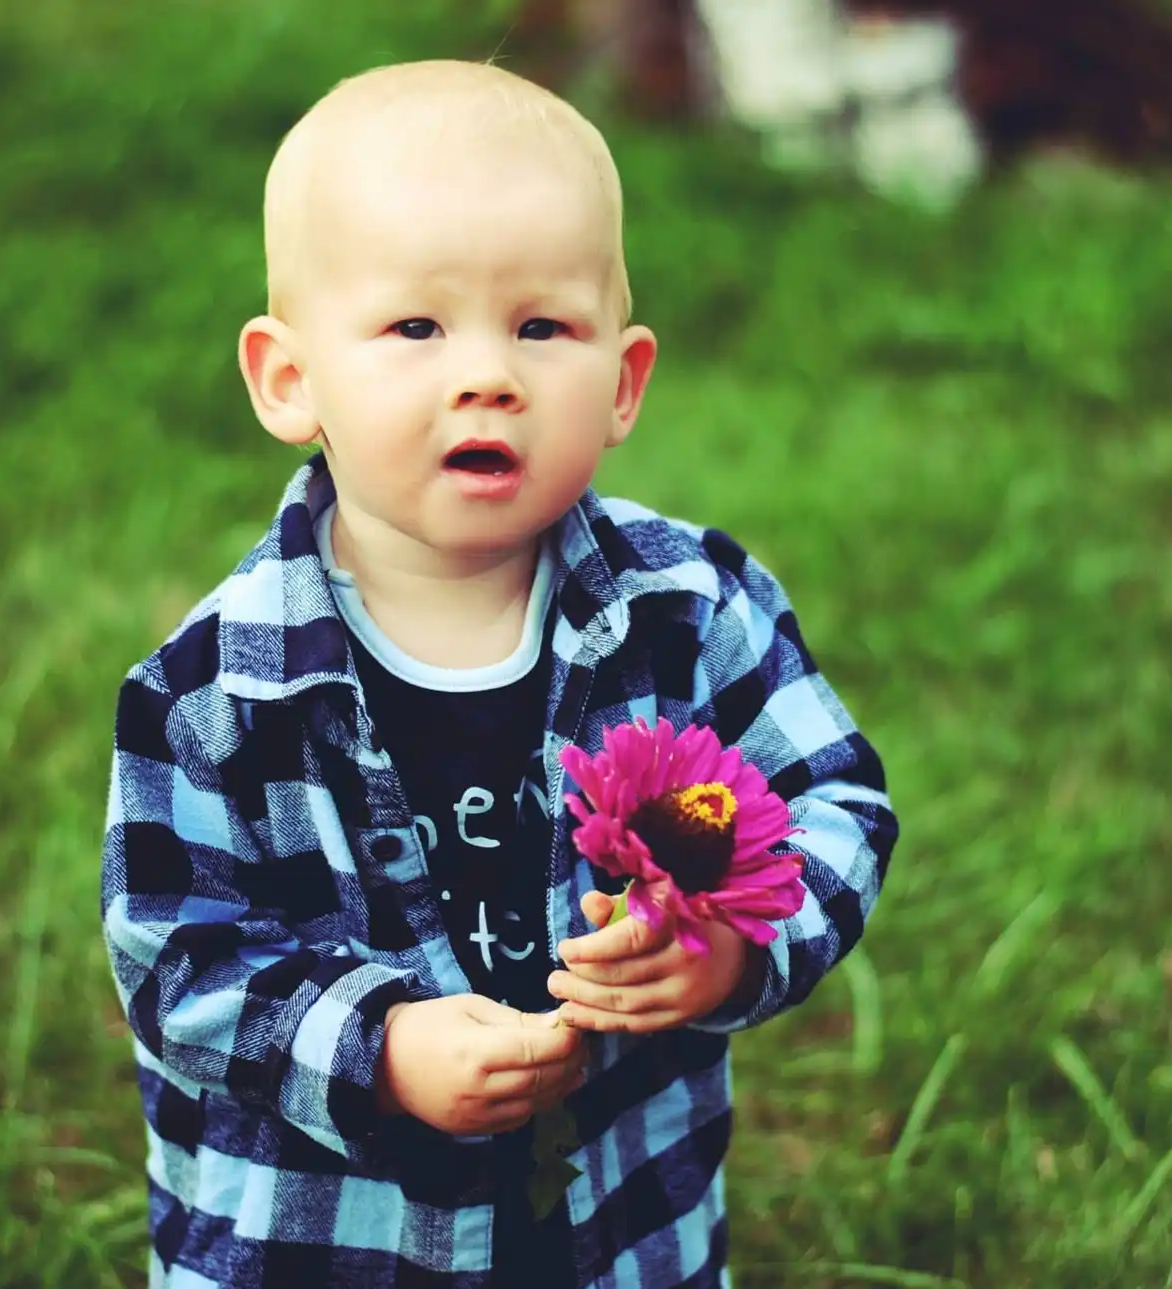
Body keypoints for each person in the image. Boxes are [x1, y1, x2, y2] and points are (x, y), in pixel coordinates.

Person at [99, 57, 898, 1289]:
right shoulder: (214, 689)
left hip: (618, 1215)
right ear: (288, 377)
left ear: (624, 382)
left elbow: (836, 800)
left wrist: (739, 948)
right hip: (333, 1239)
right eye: (417, 326)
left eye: (542, 326)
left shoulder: (687, 611)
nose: (489, 373)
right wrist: (381, 1046)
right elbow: (177, 956)